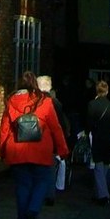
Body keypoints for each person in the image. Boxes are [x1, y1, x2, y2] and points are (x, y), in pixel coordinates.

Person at [0, 71, 69, 219]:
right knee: (42, 181)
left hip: (17, 150)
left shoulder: (11, 102)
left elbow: (4, 129)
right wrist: (62, 149)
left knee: (22, 185)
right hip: (41, 150)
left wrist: (2, 150)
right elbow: (55, 128)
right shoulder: (45, 102)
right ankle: (34, 209)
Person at [86, 79, 110, 205]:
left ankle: (103, 196)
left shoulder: (92, 105)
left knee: (98, 167)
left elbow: (89, 123)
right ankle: (98, 192)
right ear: (107, 91)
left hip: (98, 138)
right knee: (104, 167)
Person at [37, 75, 70, 203]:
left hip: (34, 140)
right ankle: (49, 195)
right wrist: (62, 145)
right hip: (50, 142)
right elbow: (59, 126)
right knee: (50, 168)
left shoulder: (34, 101)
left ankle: (38, 194)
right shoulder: (55, 103)